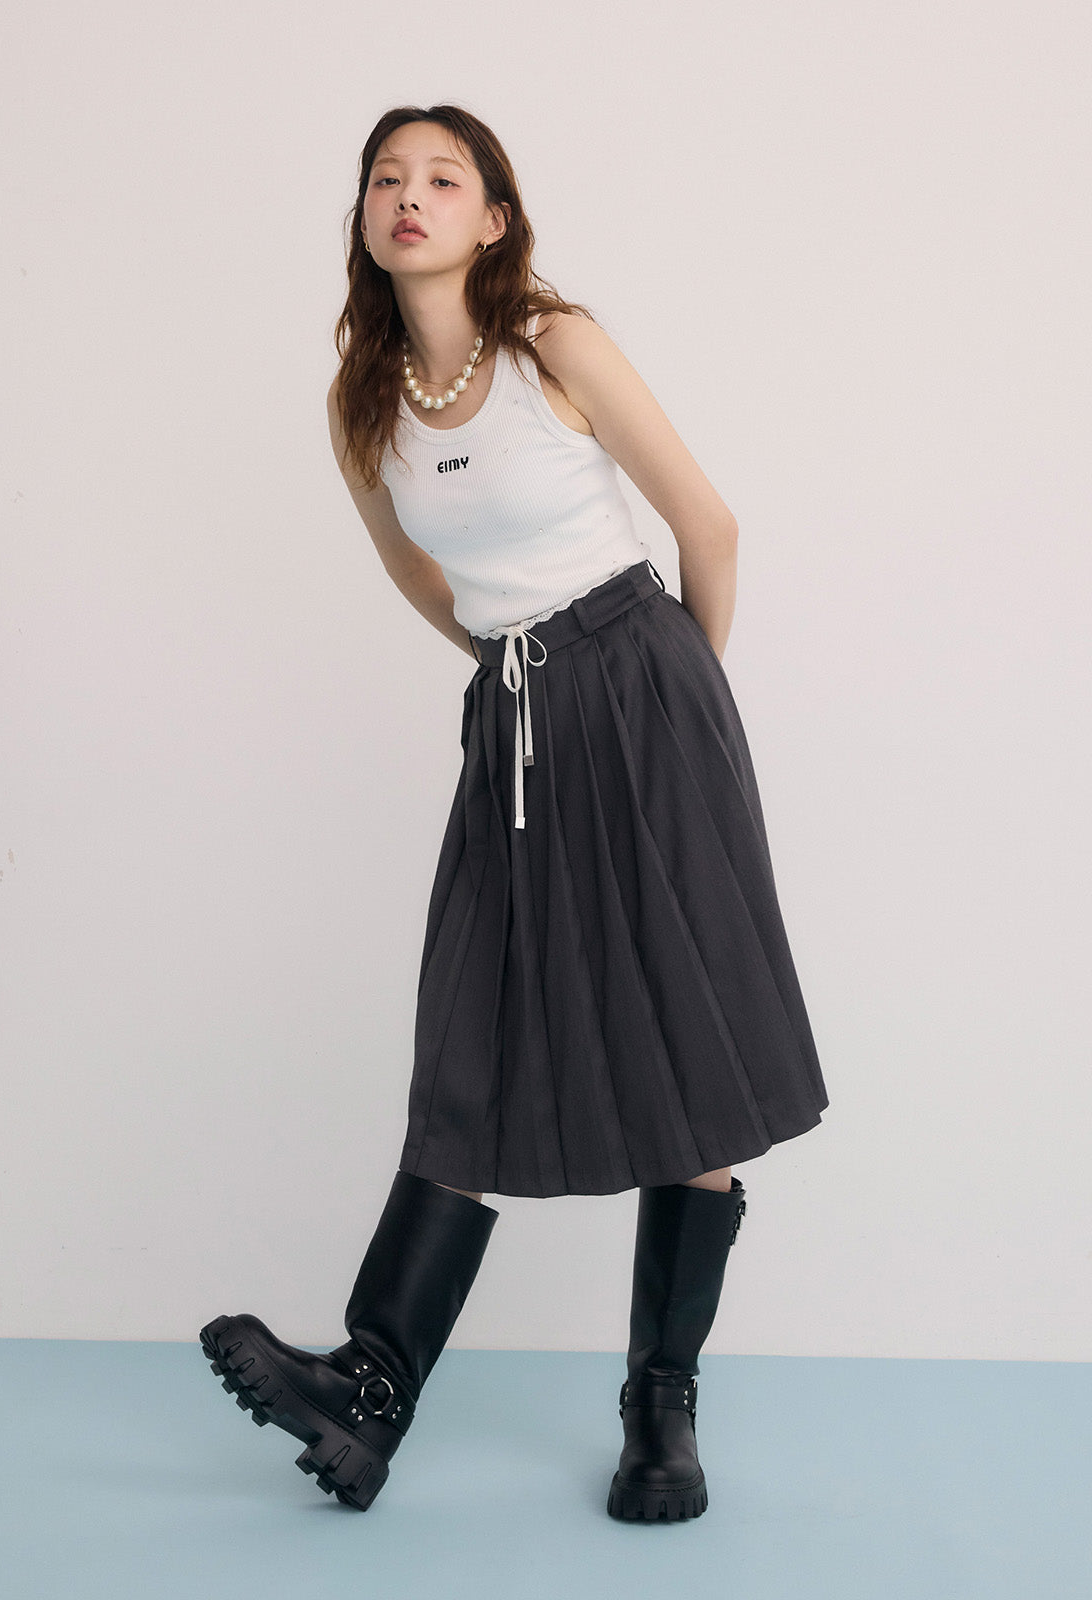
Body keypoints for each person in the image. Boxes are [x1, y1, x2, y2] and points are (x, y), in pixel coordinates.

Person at [200, 104, 829, 1522]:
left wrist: (673, 715)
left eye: (443, 177)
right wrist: (515, 672)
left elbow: (710, 527)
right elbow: (425, 580)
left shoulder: (555, 345)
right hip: (518, 721)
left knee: (687, 1046)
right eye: (386, 178)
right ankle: (367, 1394)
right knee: (468, 1025)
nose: (409, 196)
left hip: (646, 693)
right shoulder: (363, 406)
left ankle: (662, 1417)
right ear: (366, 221)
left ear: (493, 218)